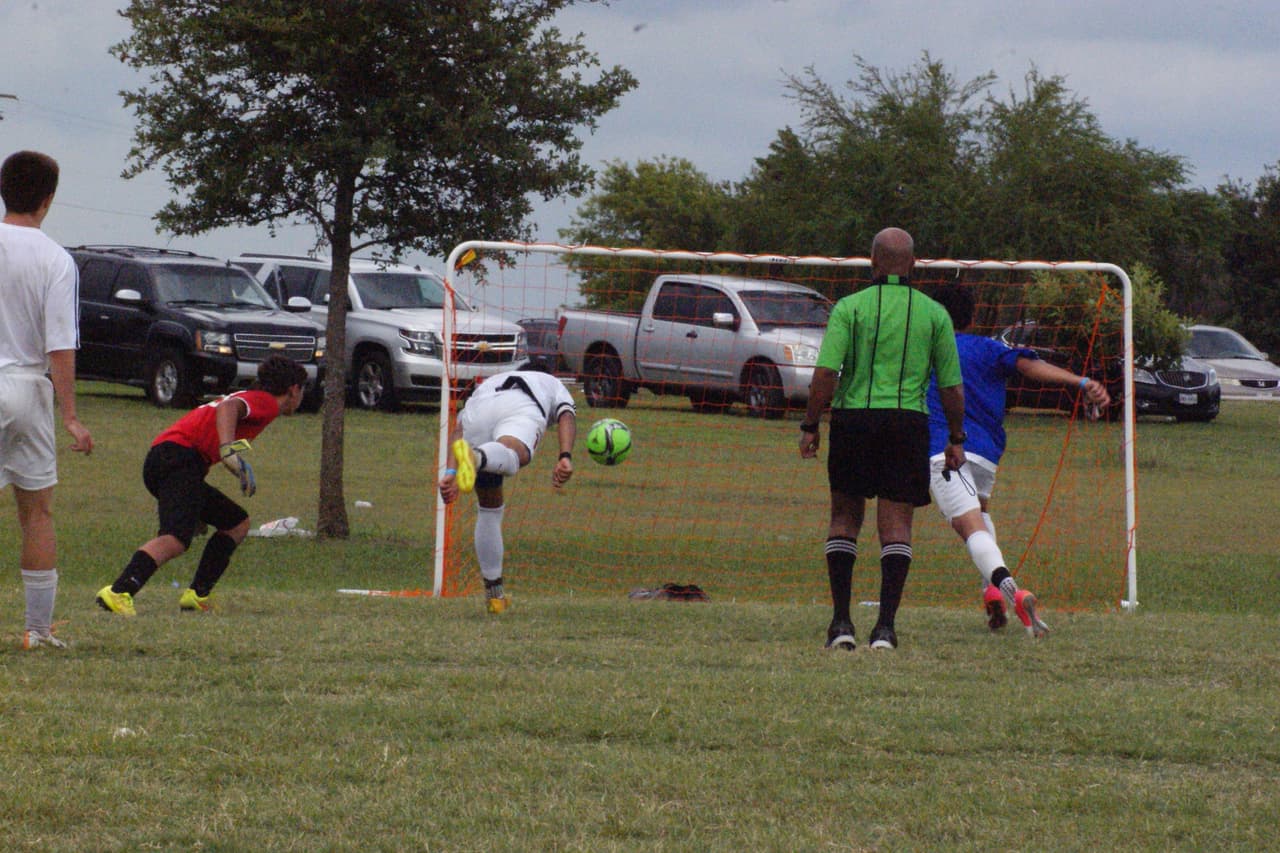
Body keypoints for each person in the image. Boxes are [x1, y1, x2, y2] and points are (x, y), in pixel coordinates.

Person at [800, 227, 966, 651]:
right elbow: (951, 387)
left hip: (854, 421)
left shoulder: (849, 308)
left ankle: (840, 624)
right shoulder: (934, 314)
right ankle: (886, 630)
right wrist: (957, 436)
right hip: (907, 424)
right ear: (913, 264)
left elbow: (825, 374)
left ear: (871, 262)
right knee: (896, 527)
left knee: (844, 519)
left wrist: (810, 424)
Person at [925, 285, 1111, 637]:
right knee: (979, 517)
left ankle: (1013, 591)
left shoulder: (929, 349)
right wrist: (1081, 381)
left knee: (969, 527)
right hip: (986, 455)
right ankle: (990, 593)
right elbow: (1030, 366)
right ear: (974, 316)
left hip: (947, 449)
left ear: (935, 315)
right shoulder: (990, 348)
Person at [96, 354, 307, 616]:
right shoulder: (265, 402)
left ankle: (197, 595)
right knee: (175, 539)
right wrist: (228, 451)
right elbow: (227, 409)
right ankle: (119, 592)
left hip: (173, 459)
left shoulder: (255, 399)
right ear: (294, 389)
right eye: (302, 390)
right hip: (177, 458)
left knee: (235, 523)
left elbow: (208, 431)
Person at [1, 151, 94, 650]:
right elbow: (61, 343)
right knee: (37, 513)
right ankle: (37, 631)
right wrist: (72, 416)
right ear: (48, 198)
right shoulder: (56, 259)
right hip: (28, 387)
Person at [438, 369, 577, 613]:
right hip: (520, 404)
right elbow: (567, 415)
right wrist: (565, 456)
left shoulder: (491, 382)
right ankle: (477, 457)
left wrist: (450, 473)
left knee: (490, 507)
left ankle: (495, 595)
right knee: (515, 455)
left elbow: (459, 429)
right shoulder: (555, 385)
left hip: (477, 412)